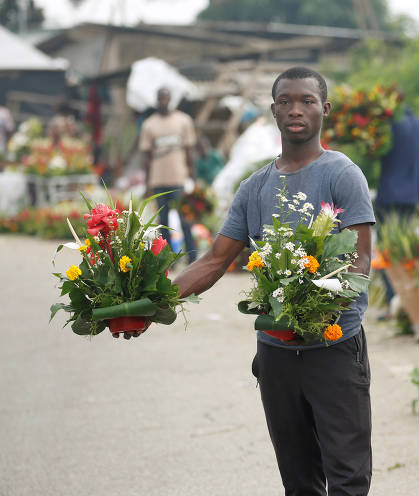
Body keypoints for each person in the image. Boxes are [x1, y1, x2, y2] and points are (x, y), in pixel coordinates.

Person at [165, 67, 374, 495]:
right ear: (274, 110)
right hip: (277, 352)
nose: (296, 110)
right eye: (286, 102)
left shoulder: (342, 174)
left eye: (307, 101)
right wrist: (156, 299)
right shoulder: (254, 188)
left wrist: (324, 310)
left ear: (325, 110)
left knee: (348, 476)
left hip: (334, 346)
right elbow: (215, 259)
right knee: (298, 480)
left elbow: (361, 255)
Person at [374, 103, 419, 308]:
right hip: (411, 196)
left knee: (386, 249)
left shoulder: (387, 126)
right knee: (405, 249)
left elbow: (372, 152)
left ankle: (394, 300)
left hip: (387, 196)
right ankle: (407, 301)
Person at [139, 87, 198, 262]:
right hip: (158, 180)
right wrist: (147, 183)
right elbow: (147, 158)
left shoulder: (183, 121)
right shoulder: (149, 124)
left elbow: (189, 151)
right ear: (157, 100)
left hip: (179, 178)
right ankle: (169, 259)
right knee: (163, 222)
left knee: (184, 219)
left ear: (170, 99)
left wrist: (192, 178)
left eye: (166, 98)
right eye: (160, 99)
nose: (163, 102)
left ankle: (192, 257)